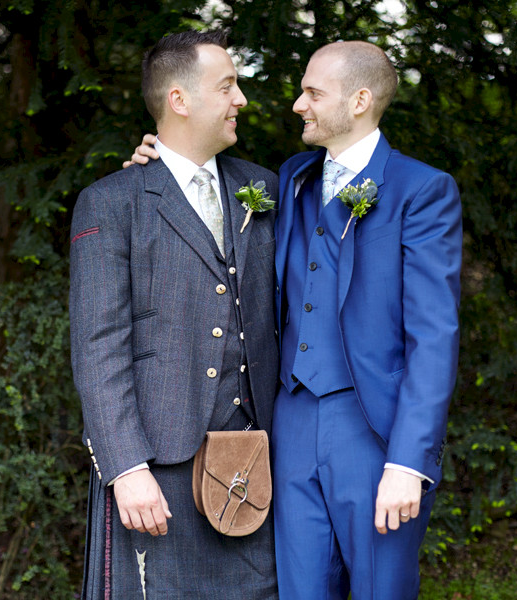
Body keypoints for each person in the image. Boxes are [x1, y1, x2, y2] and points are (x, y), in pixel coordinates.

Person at [126, 40, 462, 599]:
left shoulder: (421, 191)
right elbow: (202, 199)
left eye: (312, 93)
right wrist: (158, 164)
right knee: (299, 590)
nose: (297, 105)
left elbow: (434, 337)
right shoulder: (290, 180)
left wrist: (409, 460)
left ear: (359, 100)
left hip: (375, 433)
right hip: (289, 426)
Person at [69, 30, 280, 600]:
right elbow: (98, 344)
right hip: (158, 470)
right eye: (228, 86)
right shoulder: (112, 201)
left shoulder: (265, 189)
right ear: (179, 100)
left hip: (257, 464)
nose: (241, 100)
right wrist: (125, 468)